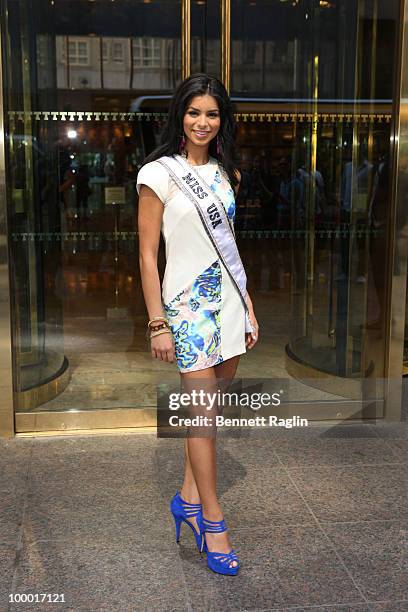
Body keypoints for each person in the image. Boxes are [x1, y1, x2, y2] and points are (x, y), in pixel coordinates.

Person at [137, 73, 259, 575]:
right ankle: (213, 522)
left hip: (228, 304)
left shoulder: (228, 174)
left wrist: (249, 304)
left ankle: (186, 500)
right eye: (193, 112)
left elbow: (229, 249)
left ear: (221, 120)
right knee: (202, 419)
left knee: (210, 416)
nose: (202, 122)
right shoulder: (158, 173)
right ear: (179, 117)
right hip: (187, 310)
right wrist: (156, 323)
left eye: (212, 114)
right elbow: (147, 255)